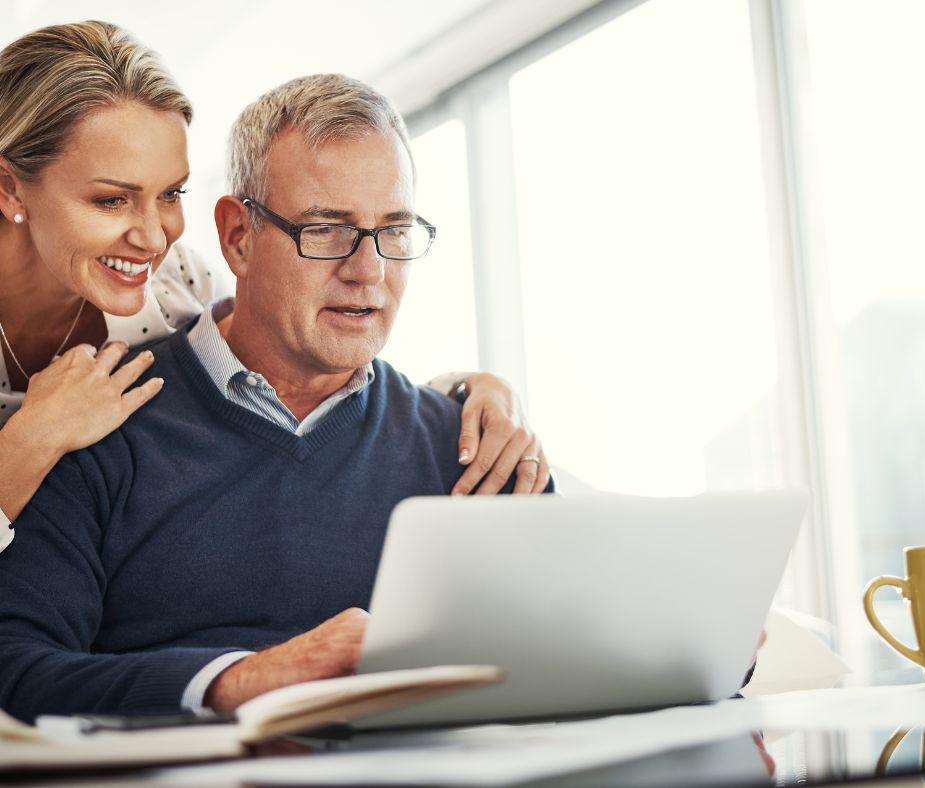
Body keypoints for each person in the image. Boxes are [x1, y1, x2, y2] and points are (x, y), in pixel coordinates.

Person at [0, 70, 555, 723]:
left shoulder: (474, 449)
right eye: (327, 230)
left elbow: (579, 651)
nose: (368, 272)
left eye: (395, 232)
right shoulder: (88, 425)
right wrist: (237, 682)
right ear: (238, 237)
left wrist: (465, 393)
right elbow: (14, 670)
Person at [0, 20, 550, 554]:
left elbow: (301, 338)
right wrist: (32, 439)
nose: (153, 237)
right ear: (10, 190)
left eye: (170, 195)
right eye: (111, 199)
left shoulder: (175, 284)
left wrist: (464, 392)